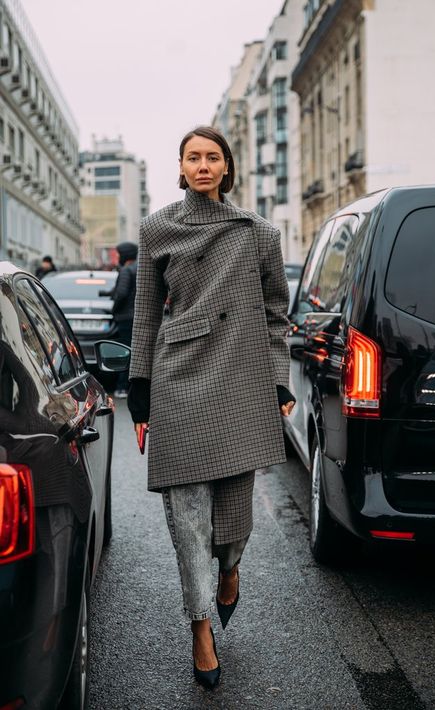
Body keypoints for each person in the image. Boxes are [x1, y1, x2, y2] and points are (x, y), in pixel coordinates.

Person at [126, 126, 295, 689]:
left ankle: (230, 570)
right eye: (192, 157)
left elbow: (276, 316)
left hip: (241, 383)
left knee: (232, 518)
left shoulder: (258, 234)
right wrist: (140, 392)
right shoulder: (158, 230)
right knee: (186, 521)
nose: (202, 165)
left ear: (227, 167)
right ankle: (201, 631)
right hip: (178, 383)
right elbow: (146, 316)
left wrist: (278, 383)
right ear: (180, 166)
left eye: (212, 157)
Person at [108, 241, 138, 398]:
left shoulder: (126, 270)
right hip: (137, 316)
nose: (117, 257)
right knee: (136, 351)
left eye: (119, 254)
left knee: (124, 351)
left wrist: (114, 309)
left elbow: (121, 293)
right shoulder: (140, 268)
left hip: (126, 317)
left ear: (125, 254)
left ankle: (122, 387)